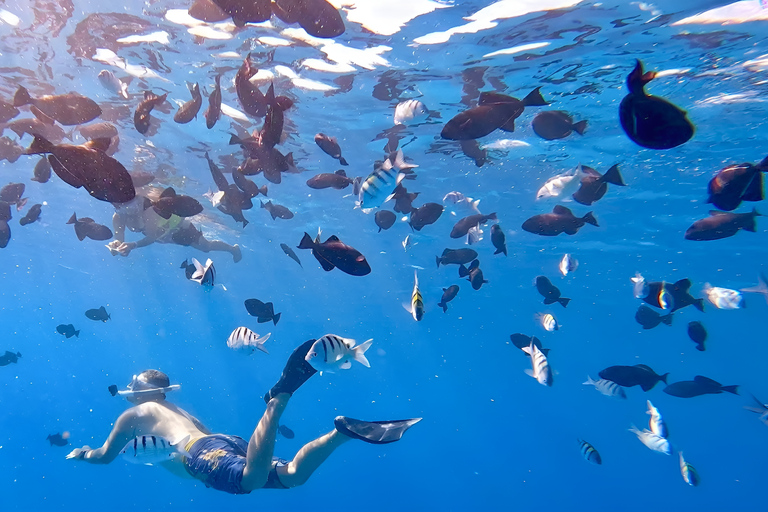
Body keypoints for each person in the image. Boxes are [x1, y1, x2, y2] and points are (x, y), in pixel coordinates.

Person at [66, 340, 420, 493]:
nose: (128, 388)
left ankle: (277, 401)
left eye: (132, 384)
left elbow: (105, 457)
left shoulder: (136, 413)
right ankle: (341, 433)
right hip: (218, 444)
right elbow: (206, 435)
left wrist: (84, 452)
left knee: (250, 480)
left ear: (143, 390)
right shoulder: (176, 409)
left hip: (201, 454)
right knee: (293, 476)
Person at [106, 187, 242, 262]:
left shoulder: (148, 210)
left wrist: (133, 245)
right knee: (204, 247)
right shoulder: (118, 217)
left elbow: (151, 238)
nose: (121, 206)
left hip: (179, 229)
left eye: (124, 202)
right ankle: (232, 249)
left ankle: (233, 249)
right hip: (165, 236)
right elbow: (118, 239)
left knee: (205, 247)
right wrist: (116, 246)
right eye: (116, 204)